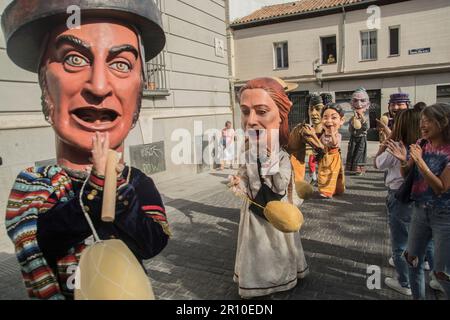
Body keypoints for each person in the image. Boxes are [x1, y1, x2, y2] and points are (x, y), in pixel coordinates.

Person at [2, 1, 170, 300]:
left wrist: (116, 187)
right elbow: (43, 241)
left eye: (121, 64)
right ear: (44, 84)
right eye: (74, 59)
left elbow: (151, 243)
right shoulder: (33, 183)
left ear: (139, 91)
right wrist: (97, 185)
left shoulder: (137, 181)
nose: (99, 86)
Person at [229, 77, 308, 298]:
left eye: (261, 111)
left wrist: (269, 157)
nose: (251, 120)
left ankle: (280, 279)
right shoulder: (246, 151)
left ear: (280, 116)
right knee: (256, 251)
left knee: (277, 248)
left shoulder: (282, 155)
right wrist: (239, 182)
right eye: (245, 112)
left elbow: (280, 185)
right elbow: (245, 176)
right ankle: (256, 282)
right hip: (253, 214)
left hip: (276, 212)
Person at [387, 103, 450, 299]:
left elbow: (441, 187)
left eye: (428, 120)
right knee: (411, 259)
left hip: (443, 215)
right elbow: (407, 172)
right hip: (419, 211)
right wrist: (402, 160)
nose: (423, 124)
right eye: (422, 120)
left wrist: (420, 162)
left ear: (443, 123)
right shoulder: (421, 143)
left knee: (441, 272)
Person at [375, 109, 434, 296]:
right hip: (422, 198)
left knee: (400, 241)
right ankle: (433, 273)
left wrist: (385, 142)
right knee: (426, 241)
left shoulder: (397, 147)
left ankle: (404, 281)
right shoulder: (427, 146)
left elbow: (377, 163)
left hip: (399, 197)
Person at [318, 103, 346, 198]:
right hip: (325, 156)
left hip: (334, 157)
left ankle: (327, 191)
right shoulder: (323, 135)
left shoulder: (338, 135)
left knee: (332, 174)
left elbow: (334, 143)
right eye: (325, 117)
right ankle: (331, 189)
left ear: (341, 120)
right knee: (323, 173)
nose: (329, 121)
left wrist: (332, 133)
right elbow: (320, 144)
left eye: (333, 118)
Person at [346, 88, 370, 175]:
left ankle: (359, 169)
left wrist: (362, 119)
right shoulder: (352, 118)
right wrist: (353, 121)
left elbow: (366, 127)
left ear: (367, 104)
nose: (358, 104)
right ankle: (351, 168)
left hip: (361, 138)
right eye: (355, 101)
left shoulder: (366, 117)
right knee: (351, 152)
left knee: (359, 153)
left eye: (362, 101)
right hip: (353, 137)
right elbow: (350, 129)